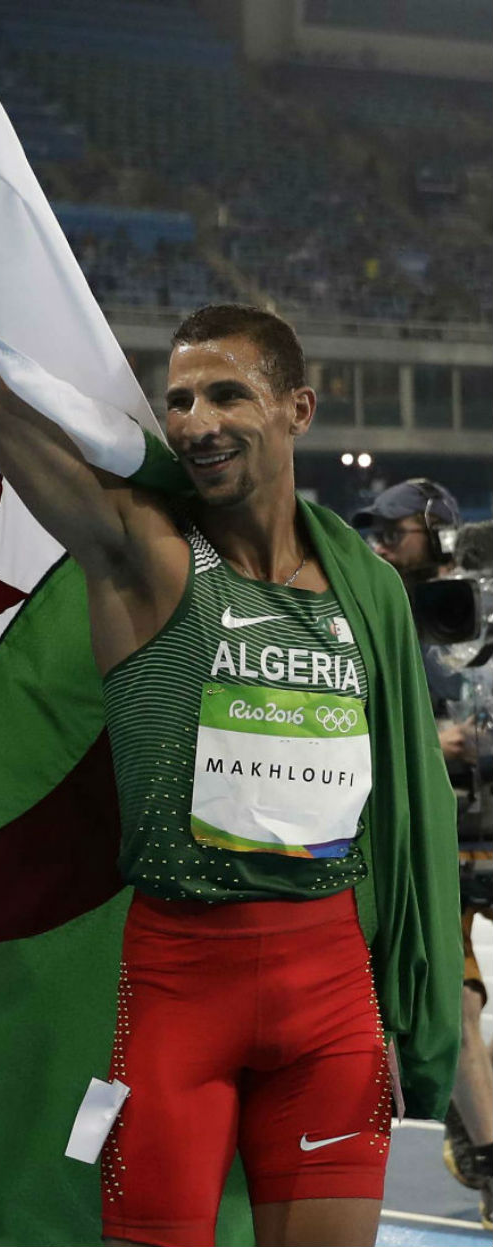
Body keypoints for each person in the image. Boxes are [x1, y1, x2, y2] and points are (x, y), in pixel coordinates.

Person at [0, 81, 460, 1247]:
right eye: (180, 397)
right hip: (180, 990)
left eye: (226, 393)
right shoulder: (143, 558)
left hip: (330, 995)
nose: (194, 418)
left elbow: (408, 804)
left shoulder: (366, 594)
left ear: (299, 406)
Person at [353, 479, 493, 1230]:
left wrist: (478, 743)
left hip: (483, 818)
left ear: (440, 532)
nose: (380, 544)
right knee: (450, 998)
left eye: (394, 532)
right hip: (433, 834)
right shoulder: (375, 610)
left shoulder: (485, 606)